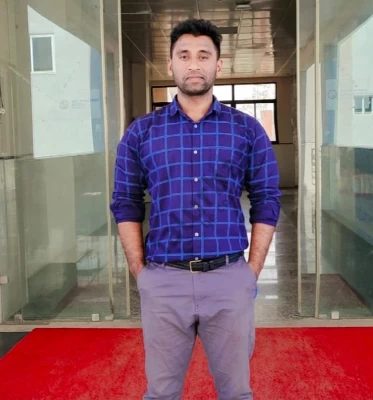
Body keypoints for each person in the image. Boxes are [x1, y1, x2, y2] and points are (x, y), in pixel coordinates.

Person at [110, 18, 281, 400]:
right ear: (170, 64)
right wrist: (140, 272)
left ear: (218, 65)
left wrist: (251, 272)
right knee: (161, 393)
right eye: (184, 55)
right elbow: (125, 202)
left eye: (204, 55)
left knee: (236, 393)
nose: (194, 64)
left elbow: (267, 199)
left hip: (228, 279)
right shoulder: (141, 132)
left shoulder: (246, 130)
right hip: (163, 280)